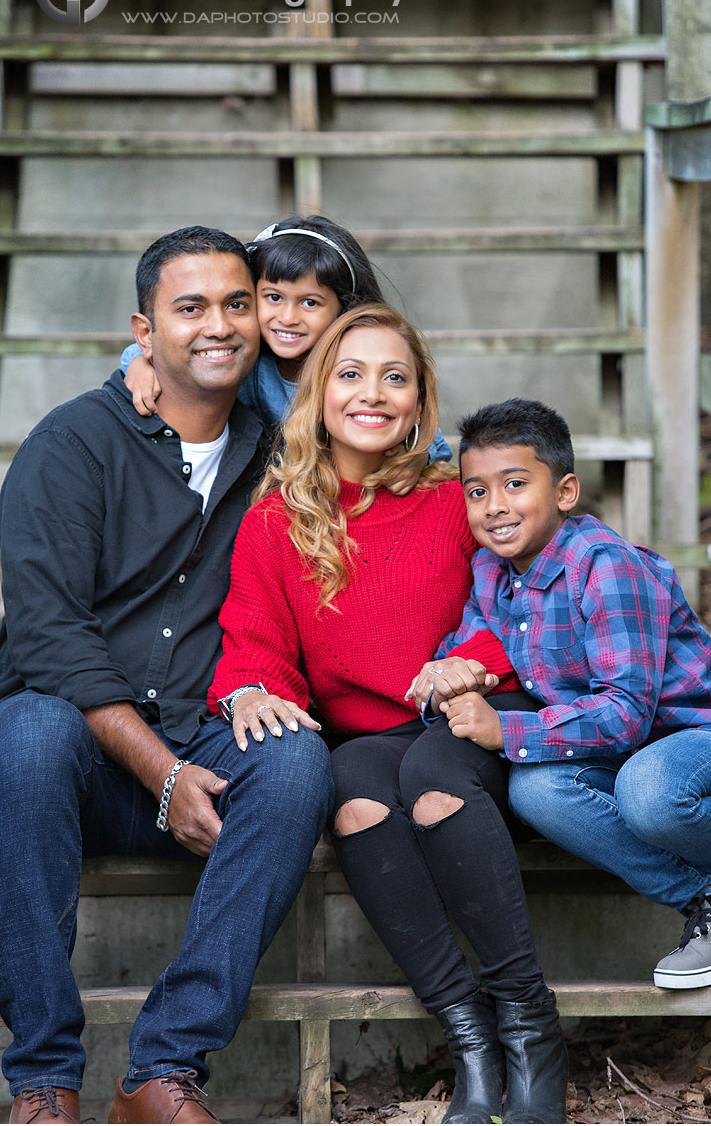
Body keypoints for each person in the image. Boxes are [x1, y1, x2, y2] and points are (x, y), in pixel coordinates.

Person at [0, 227, 334, 1125]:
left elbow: (396, 417)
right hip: (79, 759)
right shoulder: (72, 445)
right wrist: (159, 772)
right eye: (190, 308)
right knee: (22, 734)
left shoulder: (280, 454)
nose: (219, 325)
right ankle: (45, 1081)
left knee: (293, 764)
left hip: (202, 740)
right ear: (144, 330)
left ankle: (161, 1071)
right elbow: (52, 642)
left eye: (236, 304)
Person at [207, 305, 568, 1126]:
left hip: (476, 708)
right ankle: (468, 1032)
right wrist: (254, 690)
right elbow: (255, 640)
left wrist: (475, 659)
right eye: (351, 373)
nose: (373, 393)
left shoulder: (454, 501)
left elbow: (525, 590)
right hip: (372, 729)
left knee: (435, 781)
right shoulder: (276, 521)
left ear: (417, 401)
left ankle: (527, 1022)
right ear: (318, 393)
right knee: (356, 795)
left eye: (394, 377)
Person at [411, 397, 711, 991]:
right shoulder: (490, 573)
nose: (495, 506)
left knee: (649, 787)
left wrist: (505, 729)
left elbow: (625, 715)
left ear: (564, 492)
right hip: (632, 760)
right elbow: (465, 650)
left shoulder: (605, 566)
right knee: (536, 788)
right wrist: (444, 677)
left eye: (514, 483)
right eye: (476, 491)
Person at [120, 214, 452, 494]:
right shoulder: (247, 358)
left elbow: (425, 433)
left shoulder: (354, 371)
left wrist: (417, 459)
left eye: (310, 302)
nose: (288, 317)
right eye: (273, 297)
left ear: (344, 308)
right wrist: (137, 362)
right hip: (270, 494)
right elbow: (164, 347)